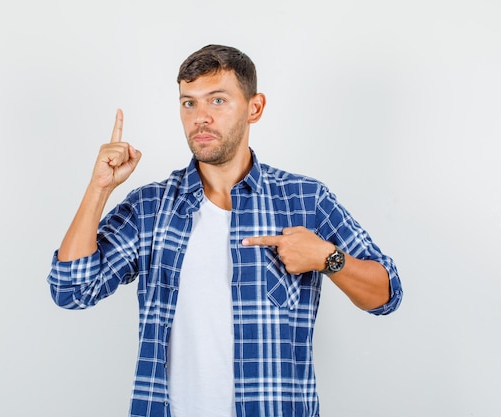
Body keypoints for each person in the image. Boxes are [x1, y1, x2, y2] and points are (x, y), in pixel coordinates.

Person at [47, 44, 403, 417]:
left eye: (217, 100)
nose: (200, 117)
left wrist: (326, 258)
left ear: (255, 107)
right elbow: (72, 289)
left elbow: (387, 293)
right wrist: (99, 187)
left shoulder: (305, 200)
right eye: (189, 103)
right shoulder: (150, 207)